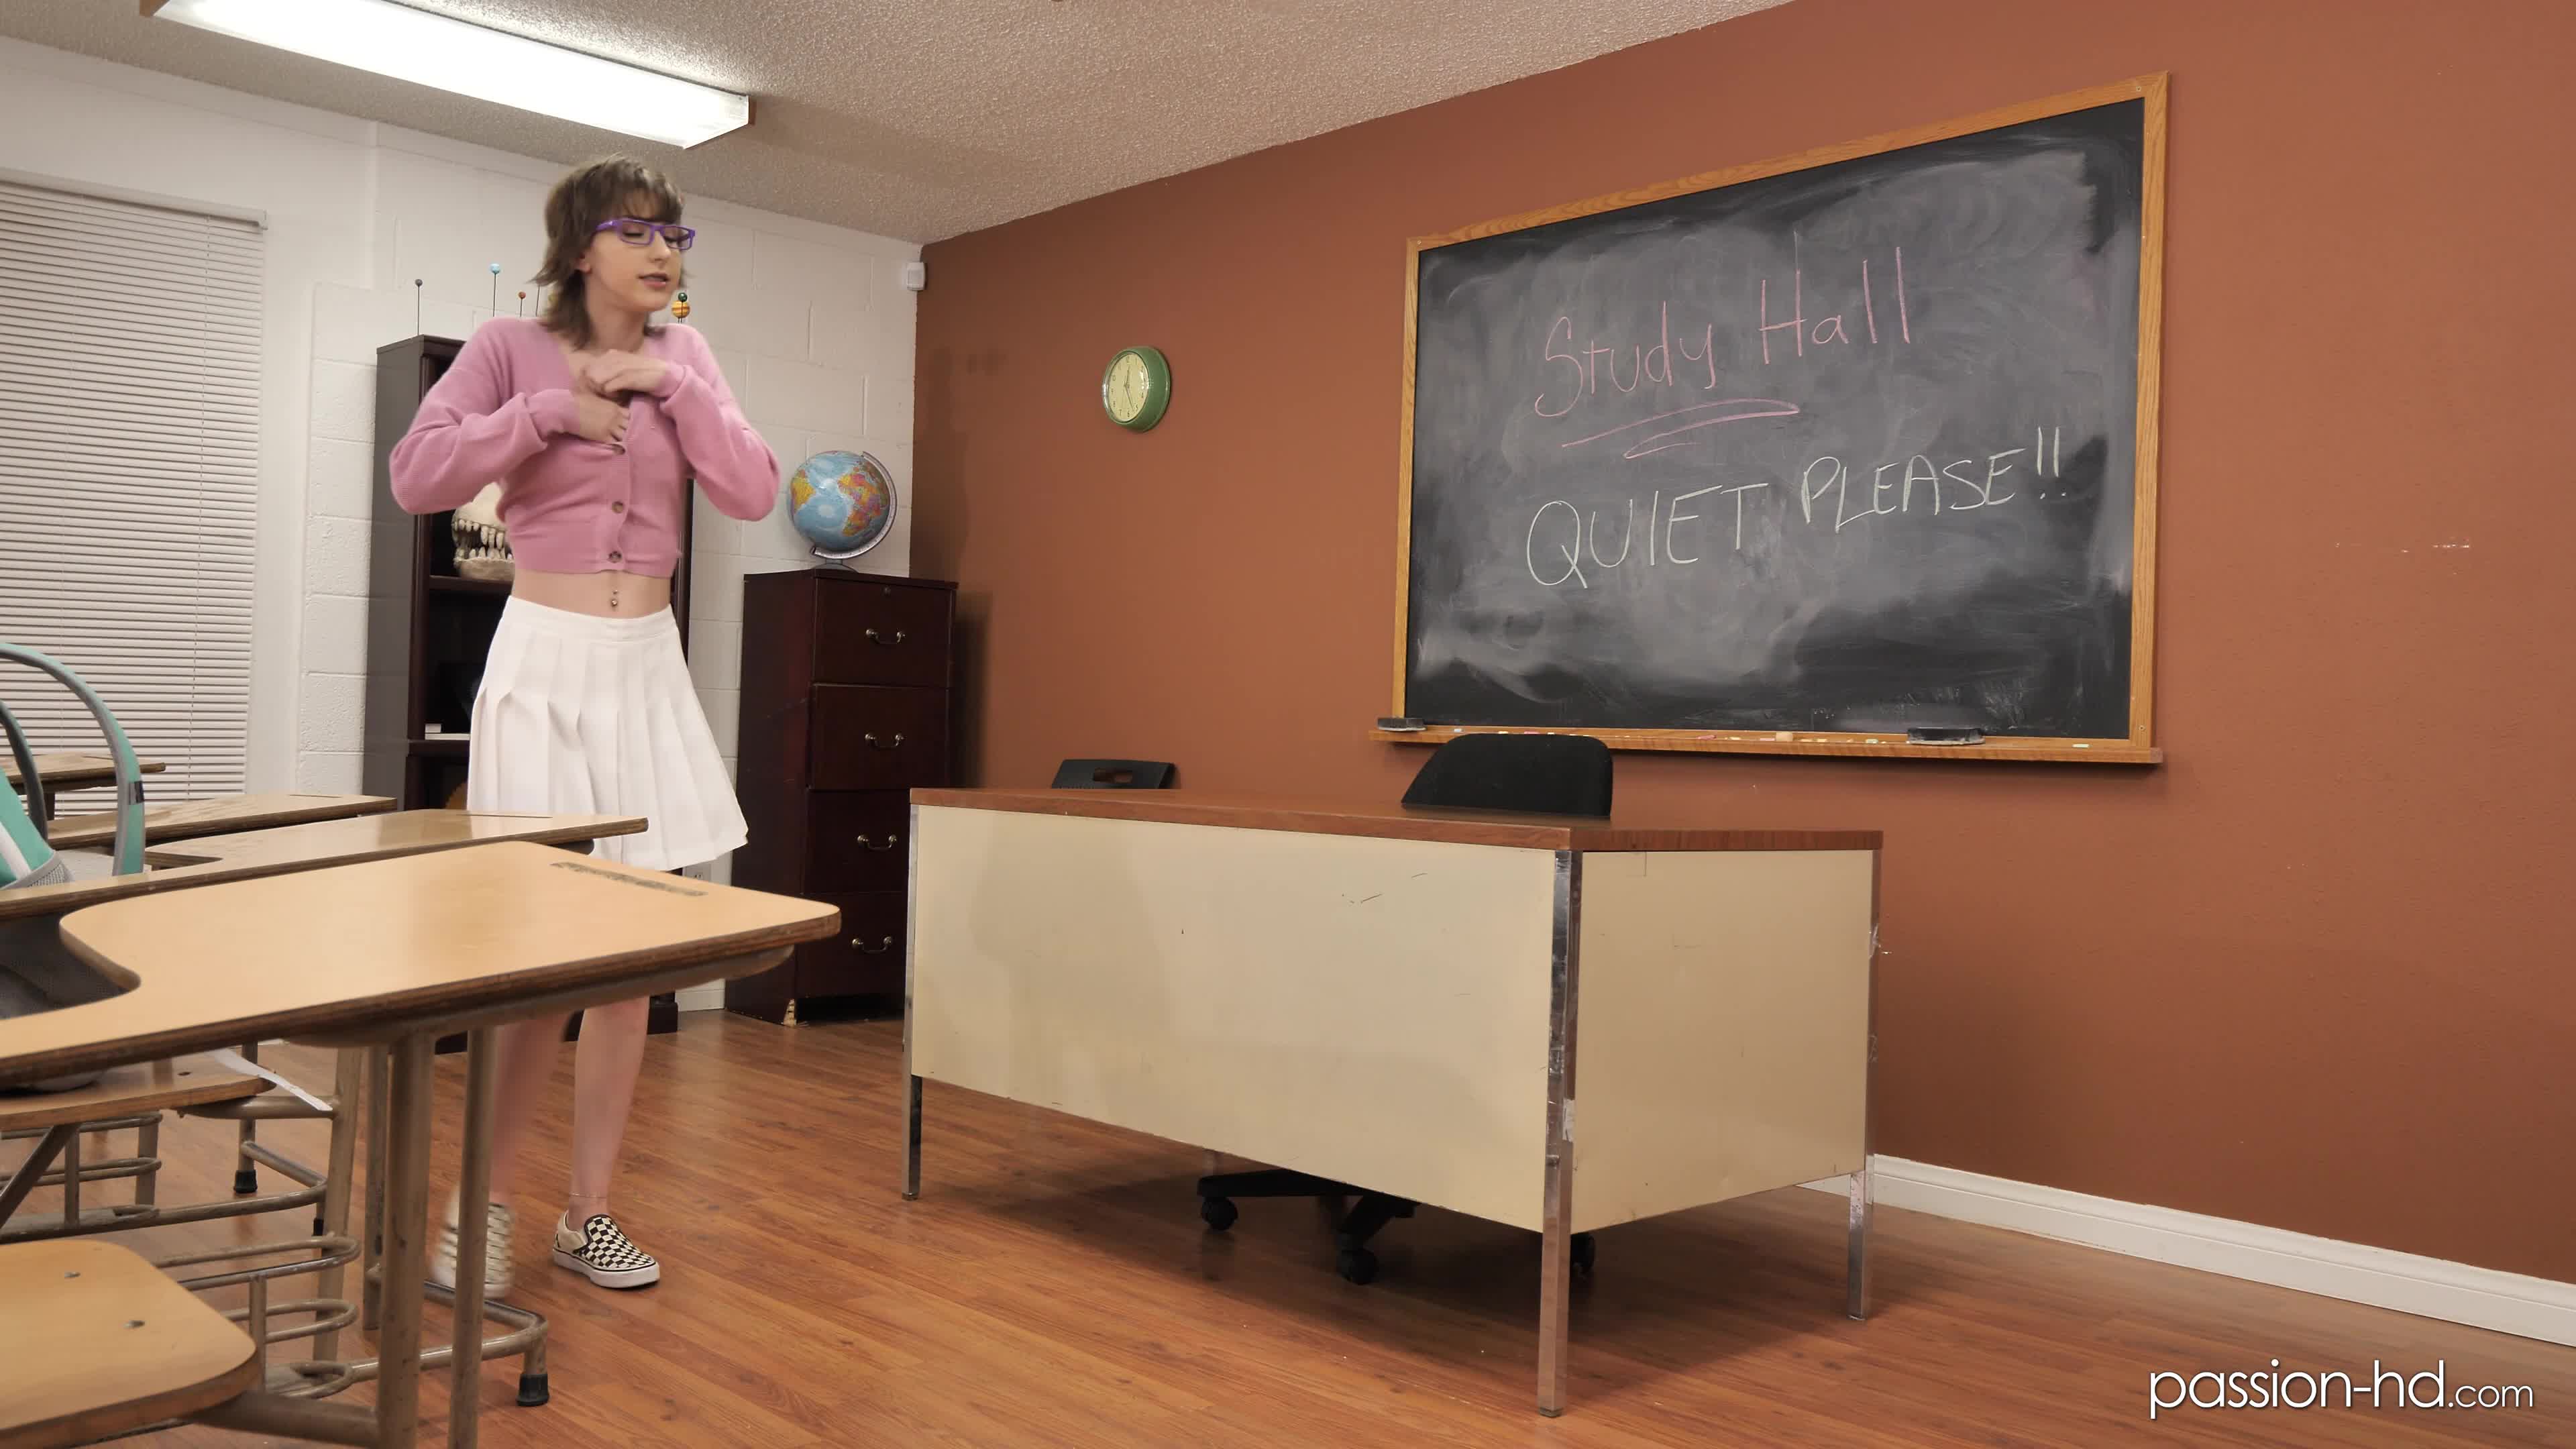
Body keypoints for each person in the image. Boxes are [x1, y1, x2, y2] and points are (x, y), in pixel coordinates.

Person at [388, 156, 779, 1297]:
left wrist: (673, 390)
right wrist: (546, 413)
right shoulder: (505, 347)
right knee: (538, 959)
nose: (660, 252)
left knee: (629, 967)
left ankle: (589, 1213)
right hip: (545, 658)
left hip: (646, 663)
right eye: (634, 231)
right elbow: (417, 476)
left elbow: (753, 490)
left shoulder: (687, 356)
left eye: (673, 235)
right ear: (577, 248)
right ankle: (482, 1203)